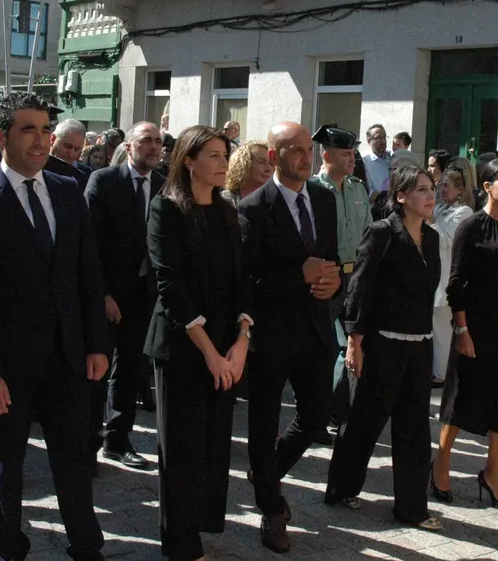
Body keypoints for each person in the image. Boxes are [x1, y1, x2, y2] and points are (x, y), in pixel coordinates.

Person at [0, 91, 110, 561]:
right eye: (29, 130)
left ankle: (86, 546)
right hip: (8, 363)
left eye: (46, 129)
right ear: (1, 136)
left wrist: (96, 344)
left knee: (75, 461)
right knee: (7, 463)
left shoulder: (67, 190)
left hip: (67, 357)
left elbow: (87, 273)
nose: (41, 140)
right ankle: (10, 546)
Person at [145, 125, 252, 561]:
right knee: (182, 448)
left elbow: (241, 278)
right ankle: (181, 544)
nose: (223, 162)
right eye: (212, 155)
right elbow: (169, 285)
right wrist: (210, 352)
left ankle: (201, 526)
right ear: (189, 160)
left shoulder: (227, 209)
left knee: (212, 446)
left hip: (227, 347)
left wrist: (242, 340)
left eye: (225, 154)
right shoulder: (165, 208)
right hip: (183, 347)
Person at [238, 122, 339, 553]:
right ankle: (272, 507)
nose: (306, 156)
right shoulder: (253, 208)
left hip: (316, 329)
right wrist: (297, 275)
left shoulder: (323, 198)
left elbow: (329, 256)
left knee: (316, 418)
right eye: (294, 149)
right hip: (271, 335)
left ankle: (265, 472)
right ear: (275, 157)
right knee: (262, 425)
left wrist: (331, 281)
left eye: (308, 148)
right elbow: (245, 281)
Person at [325, 164, 442, 530]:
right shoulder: (381, 233)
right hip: (382, 344)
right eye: (421, 189)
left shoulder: (433, 237)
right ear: (401, 196)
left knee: (414, 429)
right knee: (364, 420)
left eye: (432, 188)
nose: (429, 195)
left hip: (420, 344)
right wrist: (354, 343)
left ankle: (412, 508)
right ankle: (341, 487)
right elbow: (360, 289)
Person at [432, 159, 498, 510]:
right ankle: (441, 463)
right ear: (488, 186)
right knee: (462, 397)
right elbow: (457, 282)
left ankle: (493, 472)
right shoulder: (472, 226)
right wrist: (461, 328)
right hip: (476, 323)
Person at [85, 121, 166, 470]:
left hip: (145, 294)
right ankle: (85, 444)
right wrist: (102, 293)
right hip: (106, 294)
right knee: (96, 368)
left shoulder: (164, 186)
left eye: (158, 142)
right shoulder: (103, 181)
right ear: (129, 146)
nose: (153, 147)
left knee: (130, 369)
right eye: (145, 141)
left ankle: (117, 440)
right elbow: (87, 243)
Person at [310, 125, 370, 437]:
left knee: (349, 346)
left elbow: (368, 234)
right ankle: (319, 412)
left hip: (354, 278)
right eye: (345, 154)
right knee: (328, 348)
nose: (352, 158)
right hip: (326, 278)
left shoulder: (358, 188)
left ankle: (333, 412)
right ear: (327, 155)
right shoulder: (311, 190)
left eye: (353, 153)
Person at [429, 158, 476, 386]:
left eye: (447, 185)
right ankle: (436, 369)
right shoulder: (441, 208)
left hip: (447, 273)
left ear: (459, 190)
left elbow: (448, 240)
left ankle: (442, 373)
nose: (441, 189)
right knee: (433, 327)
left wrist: (428, 219)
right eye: (442, 184)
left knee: (443, 328)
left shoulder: (464, 212)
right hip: (433, 271)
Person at [222, 140, 272, 206]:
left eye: (271, 163)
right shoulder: (225, 200)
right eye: (261, 162)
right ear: (244, 164)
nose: (268, 169)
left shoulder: (278, 199)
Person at [362, 124, 391, 197]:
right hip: (376, 206)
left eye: (384, 137)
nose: (383, 141)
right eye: (379, 137)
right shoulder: (364, 162)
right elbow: (368, 193)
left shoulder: (392, 159)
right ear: (369, 140)